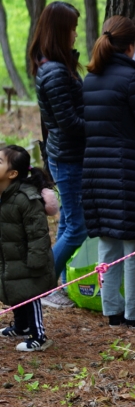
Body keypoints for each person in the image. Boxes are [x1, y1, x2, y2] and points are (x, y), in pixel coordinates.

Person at [81, 16, 135, 327]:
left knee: (108, 244)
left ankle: (111, 311)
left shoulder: (90, 79)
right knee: (134, 245)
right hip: (127, 168)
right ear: (131, 47)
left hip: (95, 170)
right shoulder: (131, 80)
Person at [30, 1, 86, 309]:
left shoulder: (54, 65)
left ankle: (56, 282)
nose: (76, 34)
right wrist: (102, 122)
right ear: (60, 31)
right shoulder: (54, 71)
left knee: (67, 222)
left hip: (65, 155)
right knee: (78, 227)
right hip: (67, 157)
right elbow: (70, 123)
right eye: (72, 28)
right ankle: (43, 286)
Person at [0, 145, 57, 351]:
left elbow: (38, 234)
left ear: (12, 173)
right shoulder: (3, 195)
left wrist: (36, 262)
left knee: (29, 295)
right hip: (10, 257)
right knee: (16, 291)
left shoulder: (26, 199)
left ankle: (39, 336)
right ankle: (21, 326)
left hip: (28, 259)